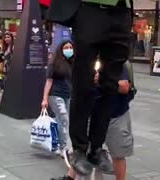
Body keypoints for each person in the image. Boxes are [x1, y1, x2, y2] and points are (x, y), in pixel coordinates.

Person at [47, 0, 134, 175]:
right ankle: (79, 149)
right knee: (83, 83)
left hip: (121, 13)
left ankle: (96, 148)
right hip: (91, 10)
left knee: (110, 86)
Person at [51, 63, 134, 180]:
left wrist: (102, 81)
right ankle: (70, 177)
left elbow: (124, 87)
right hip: (91, 114)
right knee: (82, 150)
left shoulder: (114, 60)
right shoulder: (86, 60)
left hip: (115, 115)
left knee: (118, 153)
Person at [41, 41, 74, 156]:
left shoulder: (72, 63)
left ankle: (59, 143)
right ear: (61, 49)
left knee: (62, 120)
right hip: (55, 95)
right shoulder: (54, 63)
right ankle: (63, 147)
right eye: (66, 47)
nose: (69, 49)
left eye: (70, 47)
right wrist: (44, 99)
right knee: (64, 119)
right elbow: (49, 81)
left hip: (68, 95)